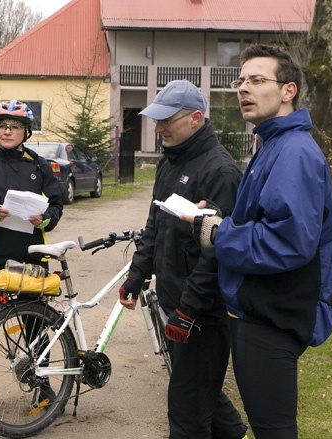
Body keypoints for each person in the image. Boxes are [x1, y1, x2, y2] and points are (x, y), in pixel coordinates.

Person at [183, 44, 332, 438]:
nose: (243, 89)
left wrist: (218, 232)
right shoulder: (273, 144)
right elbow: (265, 217)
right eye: (240, 81)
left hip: (272, 314)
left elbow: (289, 241)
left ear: (288, 91)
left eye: (257, 80)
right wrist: (218, 216)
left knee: (274, 430)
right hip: (258, 308)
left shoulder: (294, 152)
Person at [118, 80, 248, 439]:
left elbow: (217, 254)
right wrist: (137, 273)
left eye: (166, 121)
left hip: (204, 315)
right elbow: (155, 224)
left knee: (187, 414)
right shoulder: (170, 163)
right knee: (201, 393)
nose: (158, 129)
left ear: (195, 119)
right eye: (156, 121)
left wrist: (189, 312)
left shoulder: (220, 172)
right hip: (176, 305)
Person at [0, 99, 63, 404]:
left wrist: (46, 218)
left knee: (35, 325)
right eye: (1, 126)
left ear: (25, 132)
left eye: (14, 127)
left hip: (32, 254)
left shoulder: (39, 165)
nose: (6, 131)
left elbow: (56, 206)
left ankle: (43, 388)